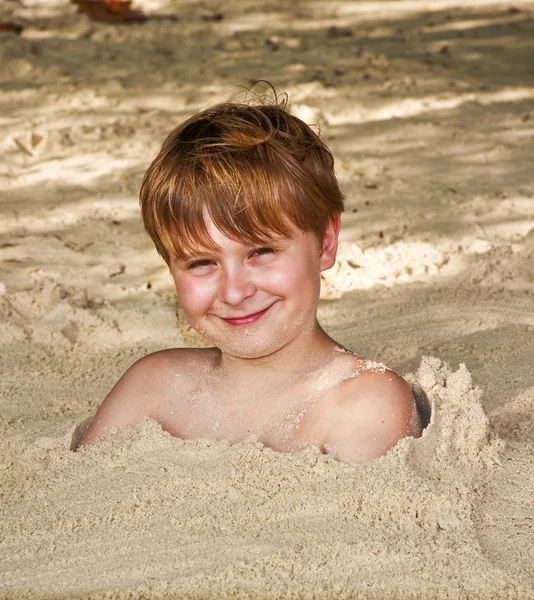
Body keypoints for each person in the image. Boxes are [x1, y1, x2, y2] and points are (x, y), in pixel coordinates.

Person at [80, 87, 422, 463]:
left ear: (325, 242)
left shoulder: (366, 403)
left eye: (261, 252)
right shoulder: (153, 387)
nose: (234, 291)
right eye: (201, 263)